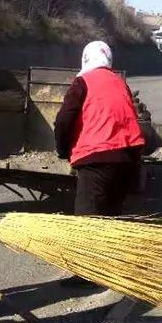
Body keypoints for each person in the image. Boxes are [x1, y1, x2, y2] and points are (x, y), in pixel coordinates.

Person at [54, 41, 145, 217]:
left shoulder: (83, 82)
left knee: (88, 222)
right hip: (125, 161)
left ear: (85, 59)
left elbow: (63, 120)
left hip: (94, 161)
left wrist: (62, 150)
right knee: (111, 219)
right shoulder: (121, 84)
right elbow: (130, 120)